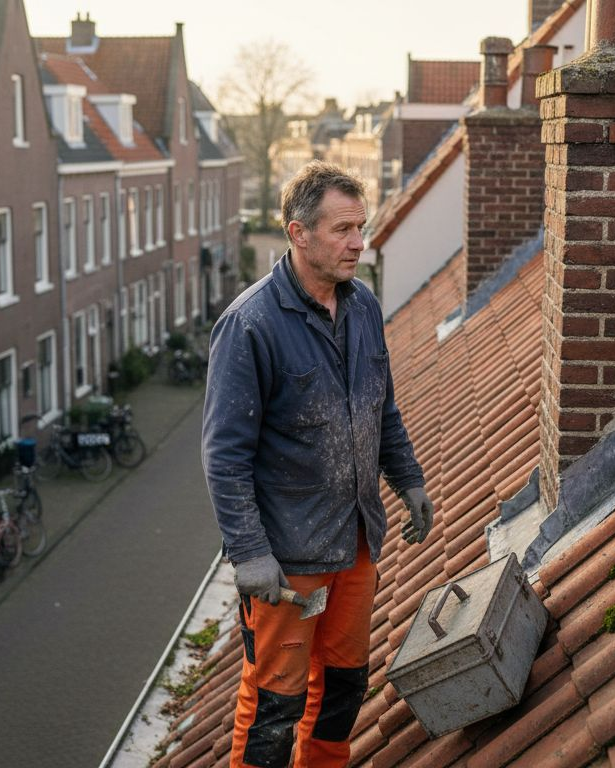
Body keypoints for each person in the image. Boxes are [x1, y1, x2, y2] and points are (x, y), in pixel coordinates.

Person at [202, 161, 434, 768]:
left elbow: (382, 408)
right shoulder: (250, 325)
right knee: (274, 704)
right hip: (288, 561)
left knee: (343, 687)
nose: (359, 243)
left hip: (355, 541)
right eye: (343, 230)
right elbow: (224, 456)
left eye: (361, 228)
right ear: (298, 233)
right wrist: (249, 553)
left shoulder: (363, 308)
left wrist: (407, 478)